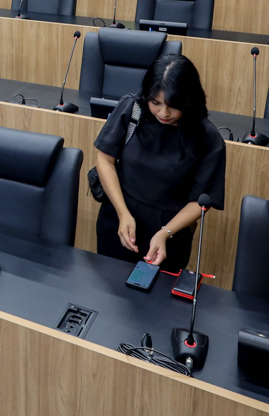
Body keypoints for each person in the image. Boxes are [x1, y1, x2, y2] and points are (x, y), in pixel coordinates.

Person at [93, 55, 226, 269]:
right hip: (118, 220)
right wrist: (122, 213)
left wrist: (165, 233)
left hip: (170, 235)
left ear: (189, 100)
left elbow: (202, 200)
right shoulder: (132, 109)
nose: (163, 113)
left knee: (155, 298)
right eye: (155, 103)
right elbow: (104, 160)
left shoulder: (206, 137)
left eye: (173, 106)